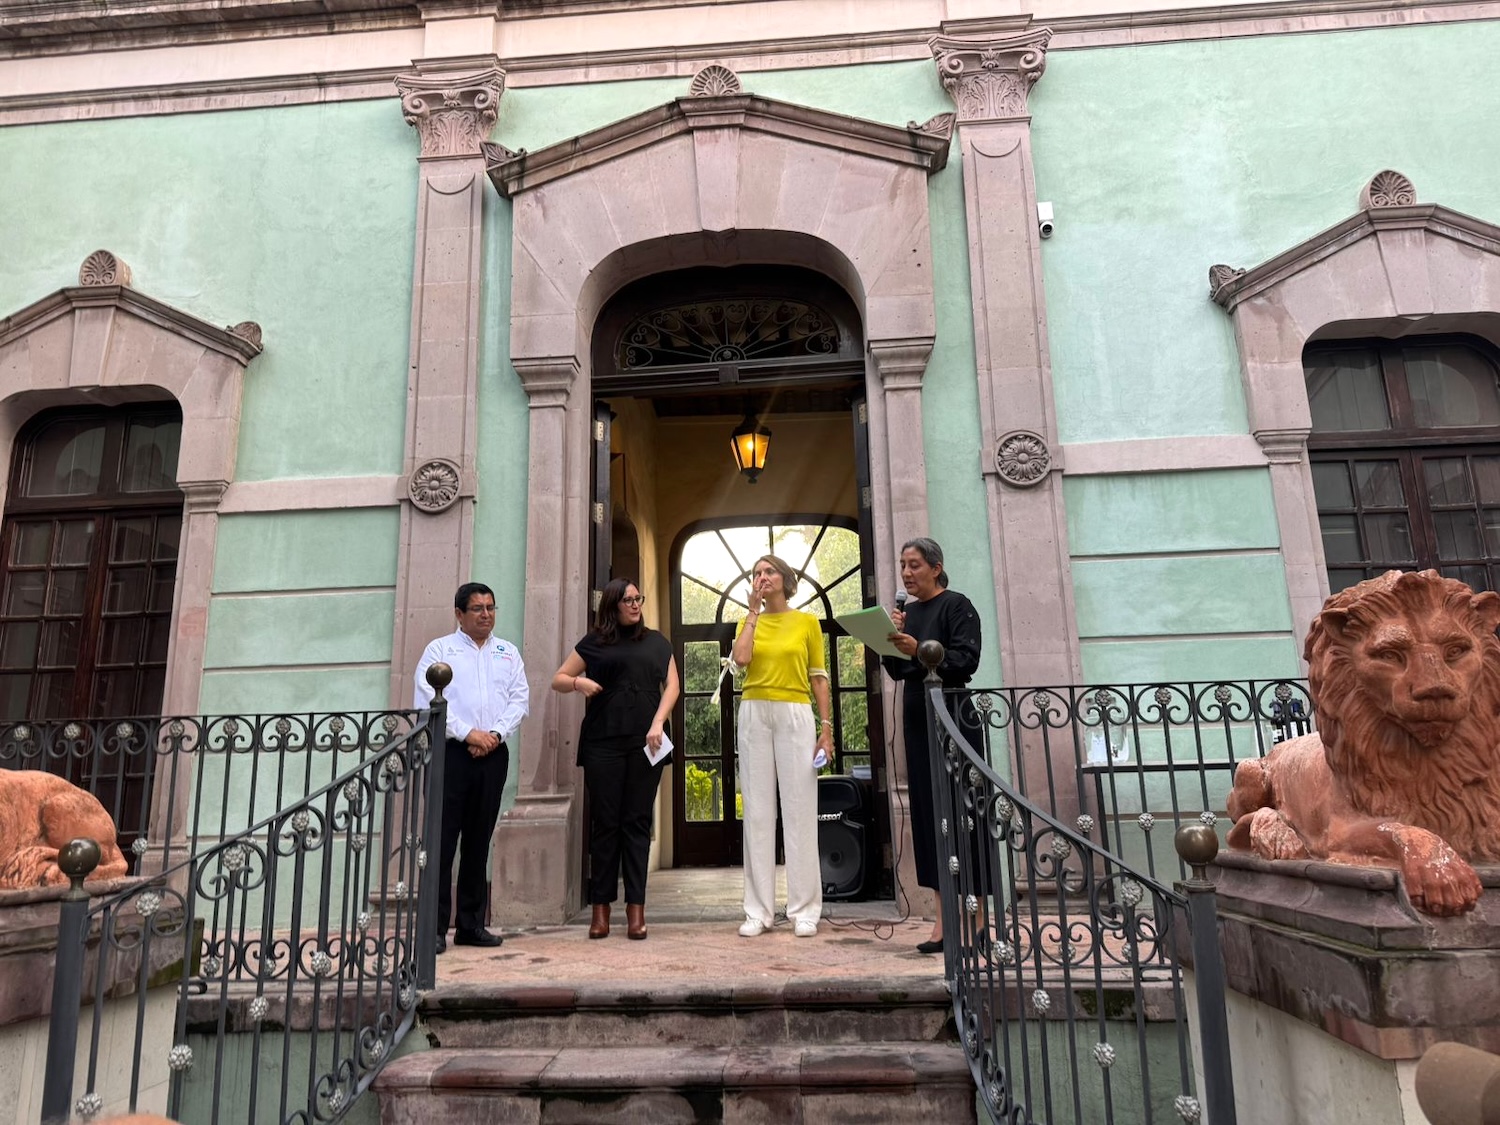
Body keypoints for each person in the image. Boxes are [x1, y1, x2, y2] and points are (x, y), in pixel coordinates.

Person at [550, 577, 679, 941]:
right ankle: (601, 910)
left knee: (637, 822)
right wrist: (579, 683)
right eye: (628, 600)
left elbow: (673, 686)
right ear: (612, 605)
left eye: (638, 598)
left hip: (646, 742)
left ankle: (636, 911)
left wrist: (658, 722)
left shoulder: (657, 642)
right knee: (606, 824)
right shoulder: (594, 642)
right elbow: (558, 678)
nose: (635, 605)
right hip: (602, 743)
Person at [414, 581, 529, 953]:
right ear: (459, 613)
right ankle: (433, 930)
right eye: (477, 608)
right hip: (452, 755)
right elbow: (428, 701)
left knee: (479, 843)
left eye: (491, 608)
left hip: (492, 755)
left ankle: (471, 925)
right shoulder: (440, 651)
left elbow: (519, 700)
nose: (486, 615)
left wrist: (493, 735)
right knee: (442, 842)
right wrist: (468, 734)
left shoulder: (507, 652)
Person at [881, 537, 982, 954]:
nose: (906, 573)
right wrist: (890, 640)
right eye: (903, 565)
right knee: (930, 818)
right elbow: (899, 670)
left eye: (915, 565)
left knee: (964, 816)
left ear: (936, 568)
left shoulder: (957, 605)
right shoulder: (909, 613)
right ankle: (942, 924)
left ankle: (977, 924)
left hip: (954, 718)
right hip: (918, 720)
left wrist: (919, 649)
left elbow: (966, 660)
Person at [732, 554, 834, 938]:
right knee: (757, 812)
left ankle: (805, 910)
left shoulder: (807, 622)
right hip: (754, 711)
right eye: (756, 572)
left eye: (769, 571)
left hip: (795, 712)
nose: (762, 577)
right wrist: (752, 613)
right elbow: (742, 659)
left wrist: (826, 729)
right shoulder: (748, 621)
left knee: (800, 809)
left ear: (785, 579)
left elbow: (819, 678)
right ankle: (757, 912)